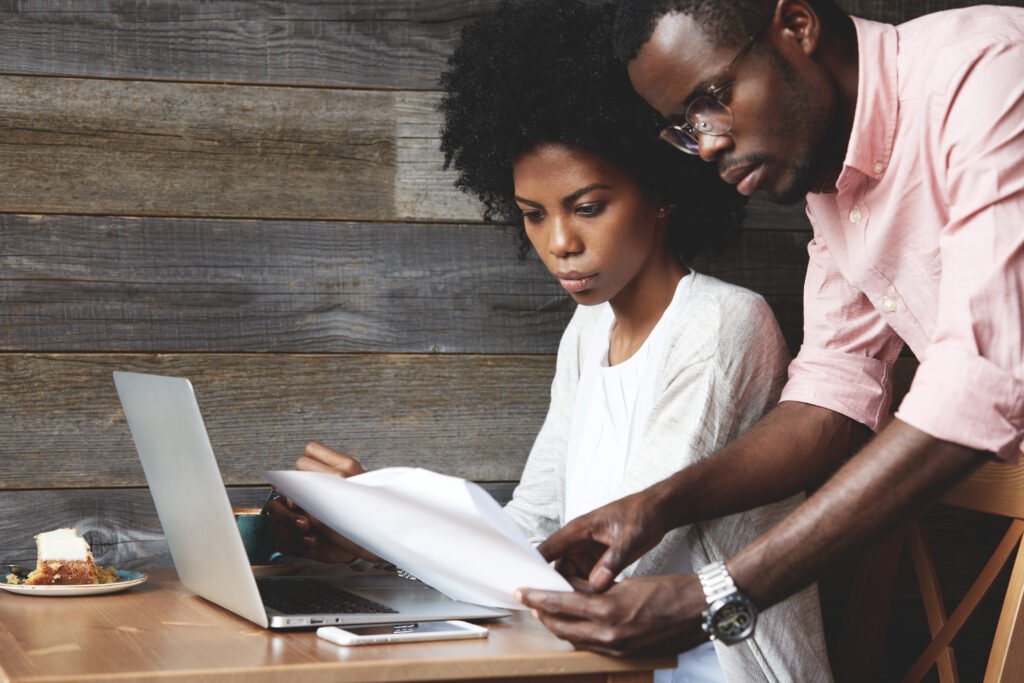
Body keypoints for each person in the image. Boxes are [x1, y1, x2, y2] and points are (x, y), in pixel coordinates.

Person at [269, 1, 834, 679]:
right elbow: (533, 527)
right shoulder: (588, 329)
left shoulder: (721, 326)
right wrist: (367, 537)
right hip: (589, 659)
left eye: (588, 207)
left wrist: (395, 529)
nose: (559, 244)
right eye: (533, 216)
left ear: (661, 191)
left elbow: (607, 566)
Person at [516, 0, 1024, 660]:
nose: (710, 144)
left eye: (713, 100)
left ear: (797, 25)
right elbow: (831, 398)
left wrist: (719, 595)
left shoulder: (989, 74)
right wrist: (659, 505)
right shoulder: (836, 184)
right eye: (685, 128)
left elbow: (979, 381)